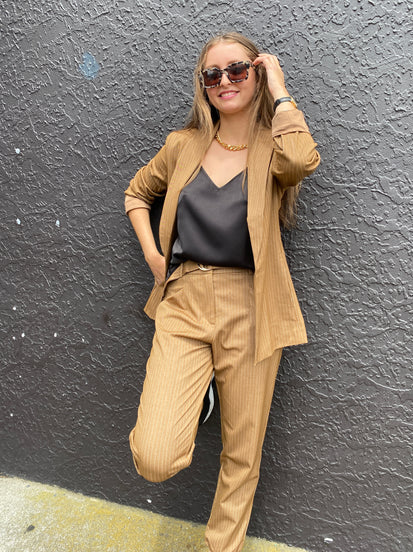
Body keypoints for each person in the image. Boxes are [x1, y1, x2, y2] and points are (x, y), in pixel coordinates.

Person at [124, 32, 320, 552]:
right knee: (155, 456)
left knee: (242, 453)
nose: (225, 81)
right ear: (202, 84)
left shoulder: (273, 148)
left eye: (238, 70)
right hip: (184, 301)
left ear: (256, 72)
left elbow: (303, 159)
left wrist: (278, 88)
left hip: (252, 305)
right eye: (213, 74)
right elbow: (137, 193)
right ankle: (200, 394)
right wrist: (153, 255)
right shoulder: (182, 145)